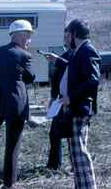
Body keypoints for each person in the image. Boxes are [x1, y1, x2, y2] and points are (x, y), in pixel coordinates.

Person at [46, 19, 100, 189]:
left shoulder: (87, 50)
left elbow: (93, 80)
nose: (66, 37)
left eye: (68, 34)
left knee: (80, 153)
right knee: (75, 155)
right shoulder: (79, 51)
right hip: (73, 109)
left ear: (75, 34)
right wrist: (58, 61)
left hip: (78, 108)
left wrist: (71, 97)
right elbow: (73, 68)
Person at [0, 19, 36, 189]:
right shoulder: (25, 55)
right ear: (22, 36)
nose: (29, 41)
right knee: (13, 142)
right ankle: (9, 183)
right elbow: (29, 78)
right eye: (28, 37)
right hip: (15, 103)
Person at [45, 26, 74, 171]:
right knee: (54, 133)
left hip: (74, 101)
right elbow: (56, 78)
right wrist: (52, 97)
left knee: (73, 137)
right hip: (61, 100)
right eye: (65, 36)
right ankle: (54, 166)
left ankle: (76, 166)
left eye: (68, 36)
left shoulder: (79, 56)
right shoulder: (65, 55)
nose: (66, 39)